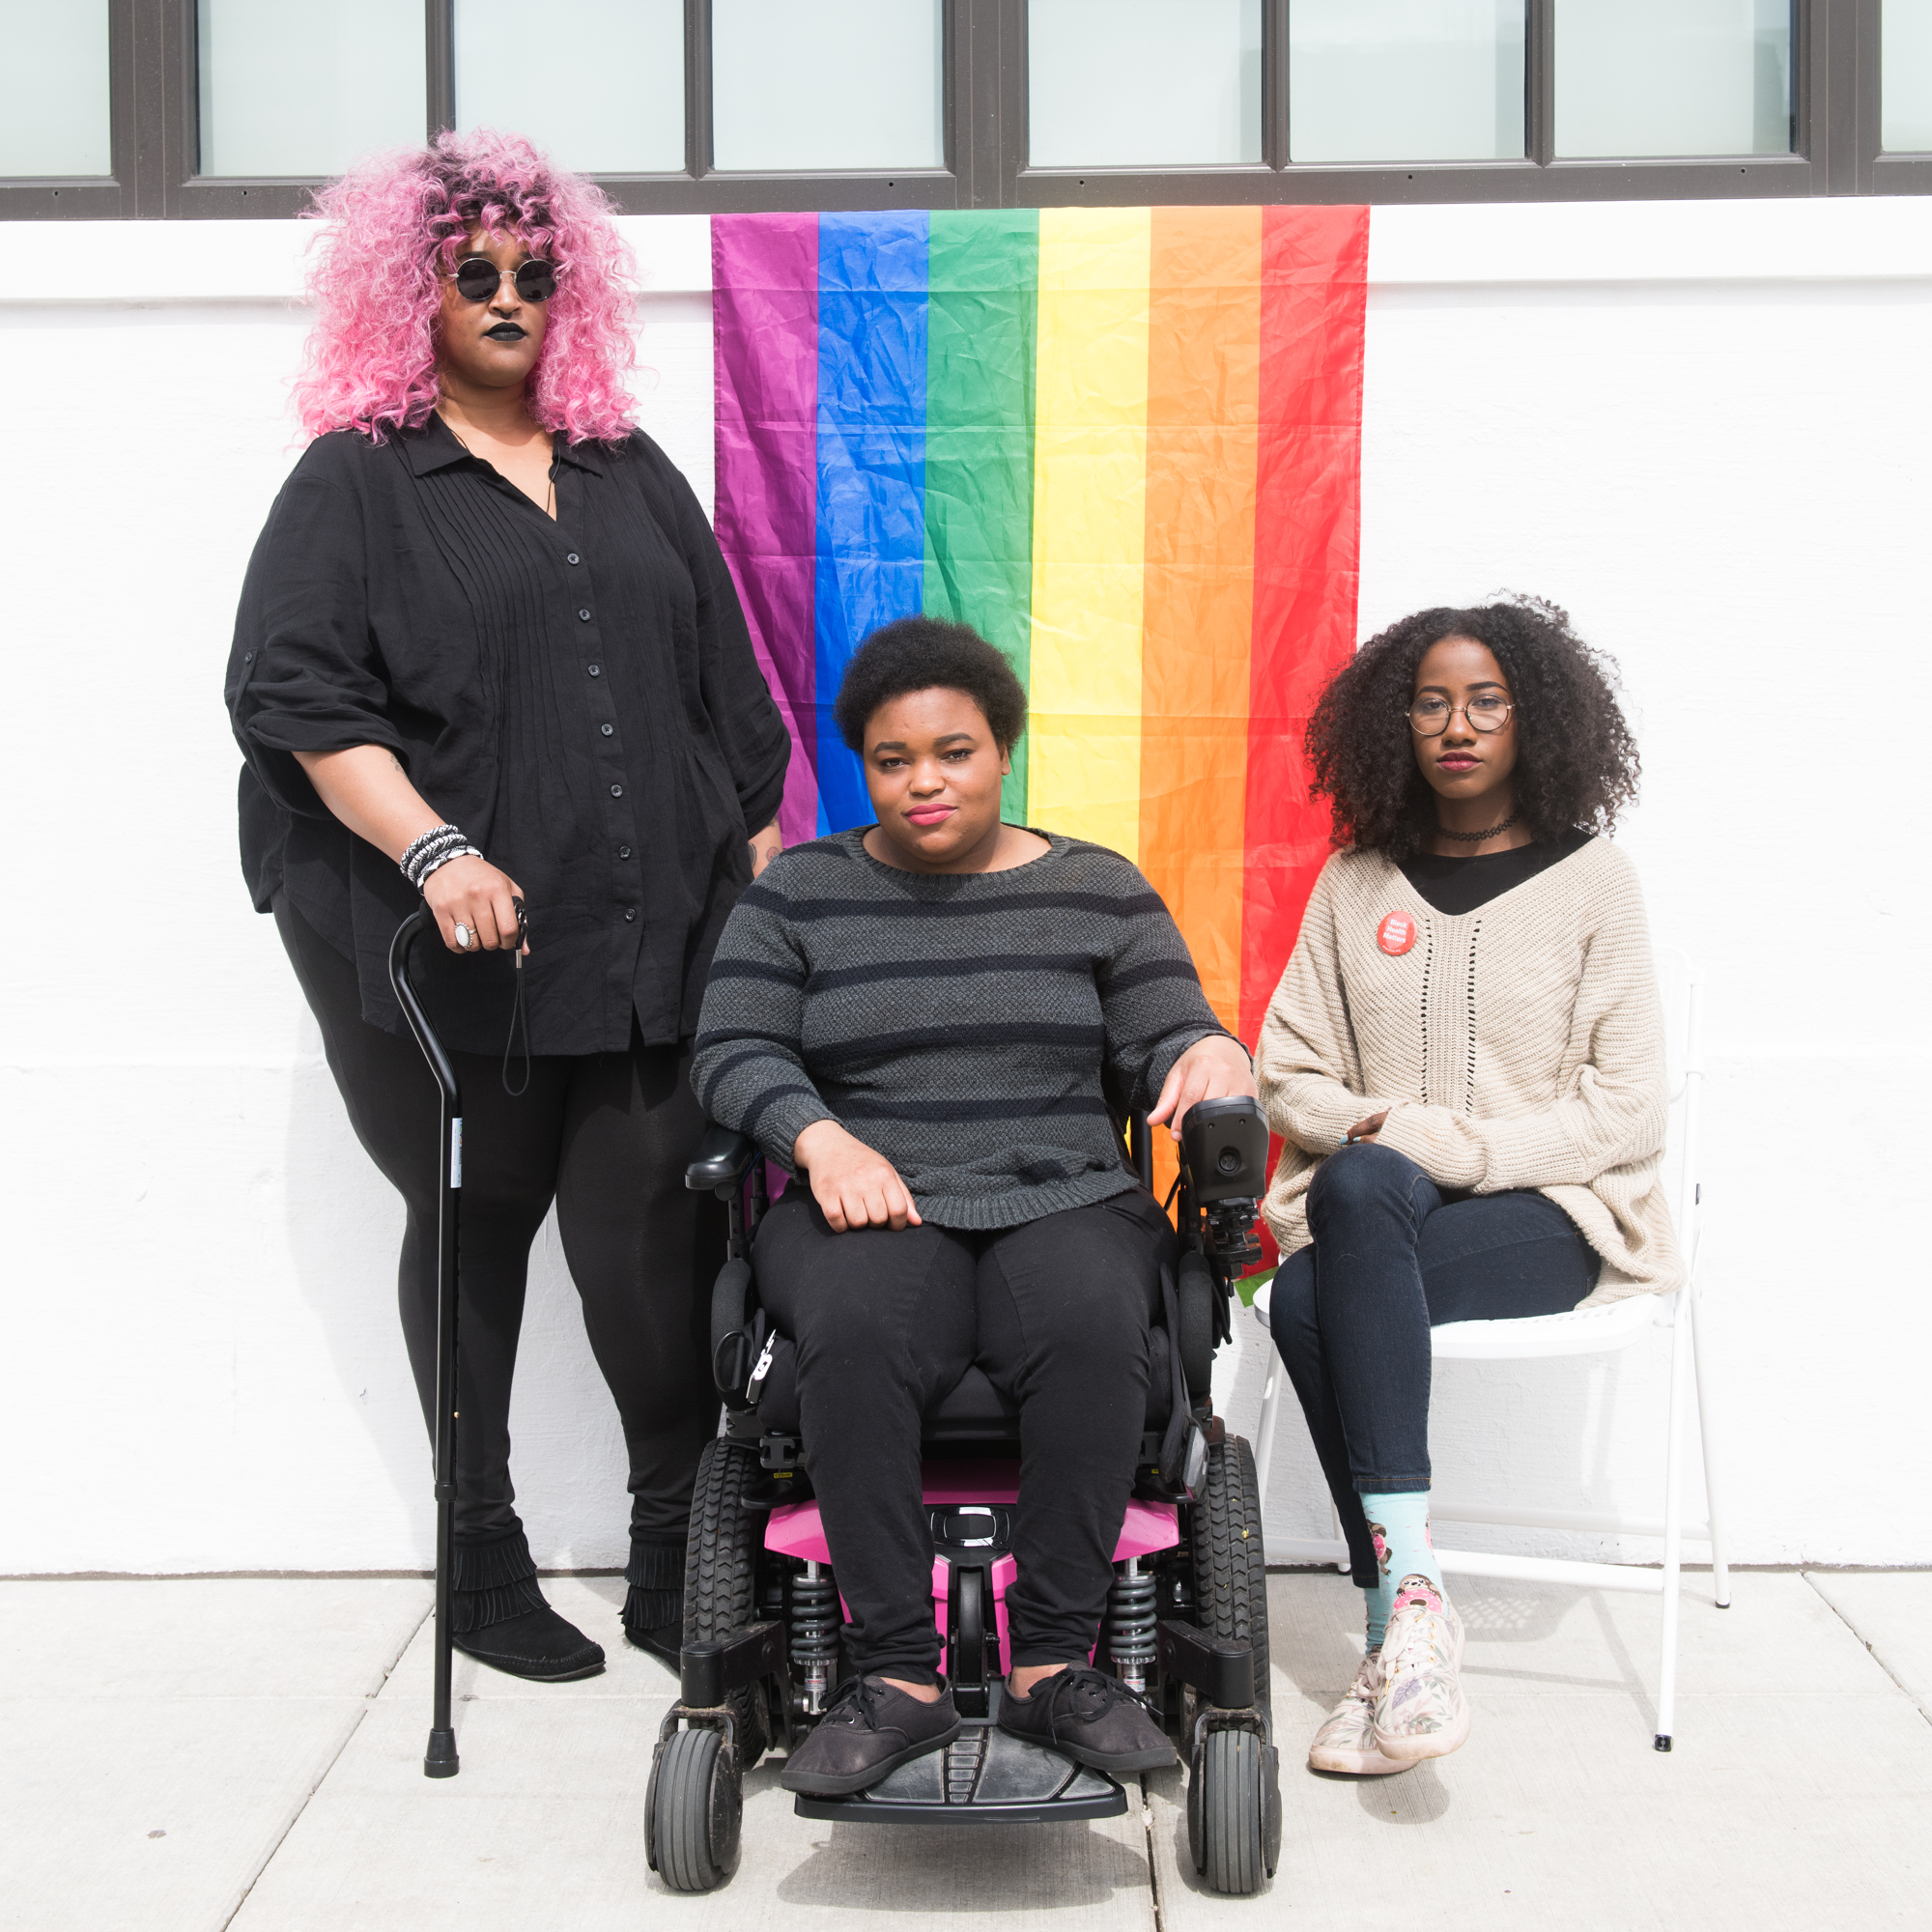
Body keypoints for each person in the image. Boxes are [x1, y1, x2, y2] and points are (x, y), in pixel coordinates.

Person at [223, 131, 789, 1682]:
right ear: (408, 289)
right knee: (479, 1218)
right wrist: (437, 853)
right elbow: (300, 697)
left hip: (647, 929)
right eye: (470, 269)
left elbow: (729, 700)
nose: (506, 294)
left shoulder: (626, 466)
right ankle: (478, 1558)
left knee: (655, 1231)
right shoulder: (356, 477)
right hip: (444, 949)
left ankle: (676, 1556)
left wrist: (762, 895)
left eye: (536, 271)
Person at [692, 616, 1258, 1796]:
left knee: (1092, 1323)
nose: (924, 781)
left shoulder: (1096, 887)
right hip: (869, 1194)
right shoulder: (800, 890)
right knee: (857, 1330)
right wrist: (818, 1138)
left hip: (1061, 1191)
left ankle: (1053, 1660)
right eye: (892, 759)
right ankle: (895, 1673)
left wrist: (1206, 1051)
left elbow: (1166, 1030)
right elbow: (732, 1047)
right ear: (862, 768)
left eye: (952, 752)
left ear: (1002, 749)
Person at [1256, 596, 1682, 1776]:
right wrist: (1389, 1127)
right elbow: (1286, 1070)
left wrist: (1469, 1153)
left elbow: (1625, 1105)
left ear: (1531, 715)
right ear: (1392, 723)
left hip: (1547, 1214)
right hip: (1375, 1205)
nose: (1456, 725)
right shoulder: (1354, 880)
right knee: (1351, 1201)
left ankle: (1391, 1616)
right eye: (1430, 702)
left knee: (1311, 1290)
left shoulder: (1593, 882)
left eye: (1484, 701)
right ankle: (1413, 1621)